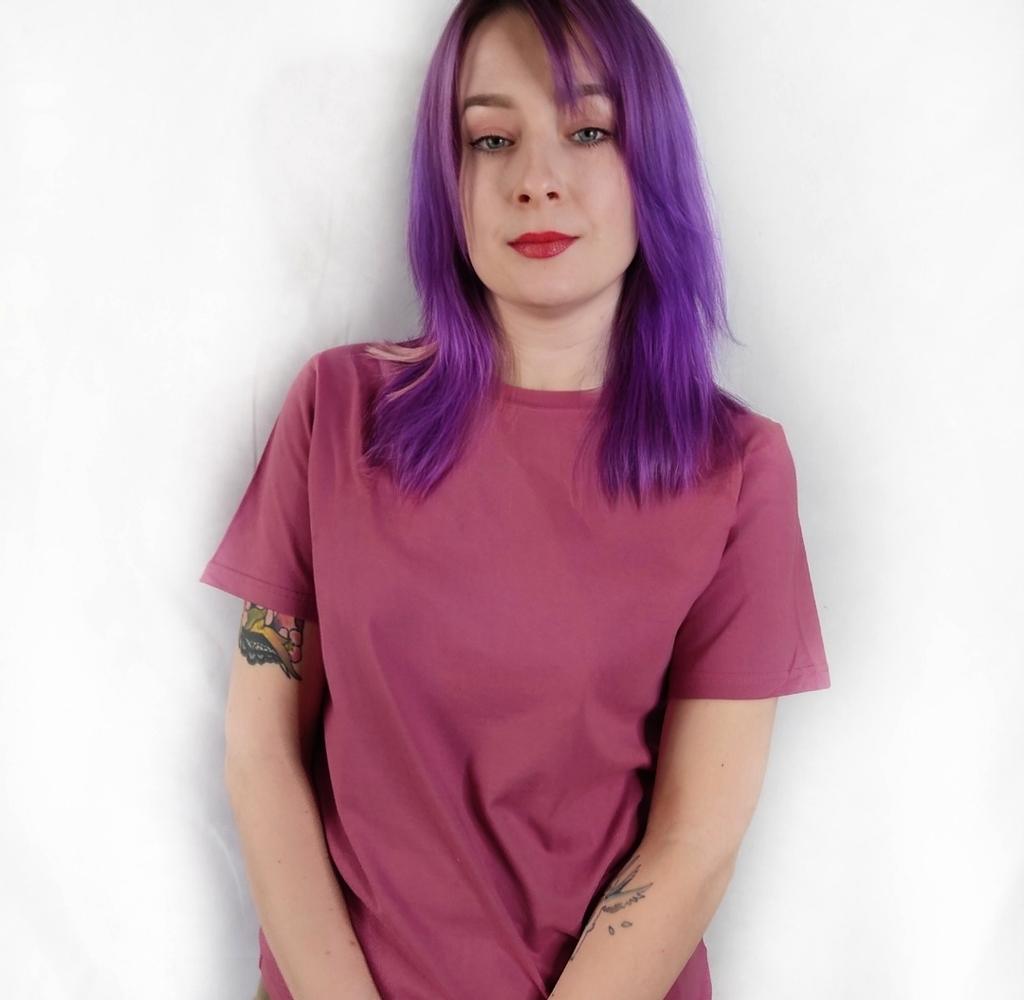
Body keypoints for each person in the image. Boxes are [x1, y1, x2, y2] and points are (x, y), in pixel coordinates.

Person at [200, 2, 831, 998]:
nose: (535, 178)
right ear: (446, 181)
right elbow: (259, 752)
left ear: (652, 164)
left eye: (588, 130)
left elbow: (695, 840)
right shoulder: (336, 409)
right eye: (491, 139)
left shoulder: (737, 470)